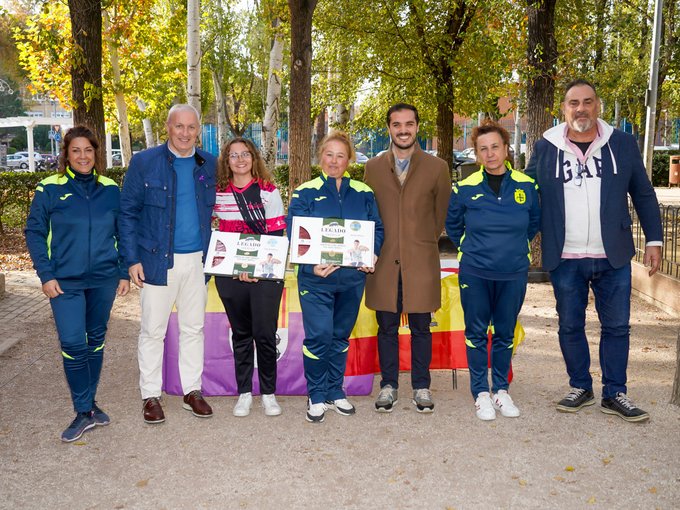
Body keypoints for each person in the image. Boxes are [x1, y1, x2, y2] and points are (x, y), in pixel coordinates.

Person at [526, 79, 663, 423]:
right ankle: (580, 387)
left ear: (597, 106)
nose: (581, 109)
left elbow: (643, 194)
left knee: (617, 327)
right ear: (564, 109)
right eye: (574, 103)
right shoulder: (546, 147)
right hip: (565, 257)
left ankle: (615, 392)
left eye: (588, 102)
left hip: (612, 255)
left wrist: (655, 240)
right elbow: (526, 193)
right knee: (570, 326)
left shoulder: (622, 143)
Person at [25, 125, 130, 442]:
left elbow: (123, 232)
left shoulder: (111, 188)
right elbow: (35, 232)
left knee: (95, 340)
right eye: (76, 150)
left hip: (103, 278)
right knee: (73, 343)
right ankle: (84, 410)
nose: (83, 156)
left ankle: (90, 406)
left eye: (88, 150)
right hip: (64, 281)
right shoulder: (49, 188)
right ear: (66, 155)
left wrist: (123, 271)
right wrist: (46, 274)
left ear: (96, 153)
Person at [119, 104, 217, 424]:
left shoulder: (209, 163)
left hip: (197, 261)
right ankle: (150, 395)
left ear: (198, 130)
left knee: (193, 328)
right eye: (179, 126)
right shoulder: (145, 162)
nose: (185, 133)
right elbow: (128, 214)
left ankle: (192, 391)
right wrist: (131, 259)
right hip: (158, 260)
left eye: (191, 127)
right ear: (168, 127)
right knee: (153, 330)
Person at [287, 131, 384, 423]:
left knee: (340, 337)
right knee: (318, 337)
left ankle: (334, 390)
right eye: (329, 154)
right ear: (320, 157)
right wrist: (311, 264)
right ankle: (316, 394)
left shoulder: (364, 192)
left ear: (349, 159)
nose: (334, 160)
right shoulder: (304, 192)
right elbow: (296, 233)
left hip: (352, 280)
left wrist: (372, 254)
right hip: (316, 280)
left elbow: (376, 228)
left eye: (341, 155)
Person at [446, 120, 540, 421]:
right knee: (475, 333)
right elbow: (453, 226)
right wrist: (476, 248)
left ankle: (500, 389)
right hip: (476, 271)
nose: (490, 154)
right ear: (476, 154)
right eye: (483, 149)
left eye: (495, 147)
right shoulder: (463, 188)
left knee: (504, 333)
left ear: (506, 148)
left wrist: (510, 248)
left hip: (513, 272)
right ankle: (480, 393)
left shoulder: (527, 185)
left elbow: (533, 224)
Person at [364, 103, 451, 413]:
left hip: (420, 261)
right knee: (385, 327)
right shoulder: (372, 168)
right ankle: (388, 385)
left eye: (409, 124)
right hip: (384, 263)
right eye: (397, 124)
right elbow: (368, 214)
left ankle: (421, 386)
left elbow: (440, 214)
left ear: (417, 127)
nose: (403, 129)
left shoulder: (437, 167)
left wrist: (419, 240)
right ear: (389, 128)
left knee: (421, 328)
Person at [212, 137, 286, 417]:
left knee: (265, 334)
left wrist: (254, 268)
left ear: (254, 158)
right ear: (226, 161)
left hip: (265, 274)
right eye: (233, 155)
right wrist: (235, 267)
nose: (240, 159)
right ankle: (244, 392)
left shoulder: (268, 191)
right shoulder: (217, 193)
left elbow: (276, 237)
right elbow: (213, 233)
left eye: (245, 154)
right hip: (228, 274)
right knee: (241, 334)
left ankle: (269, 393)